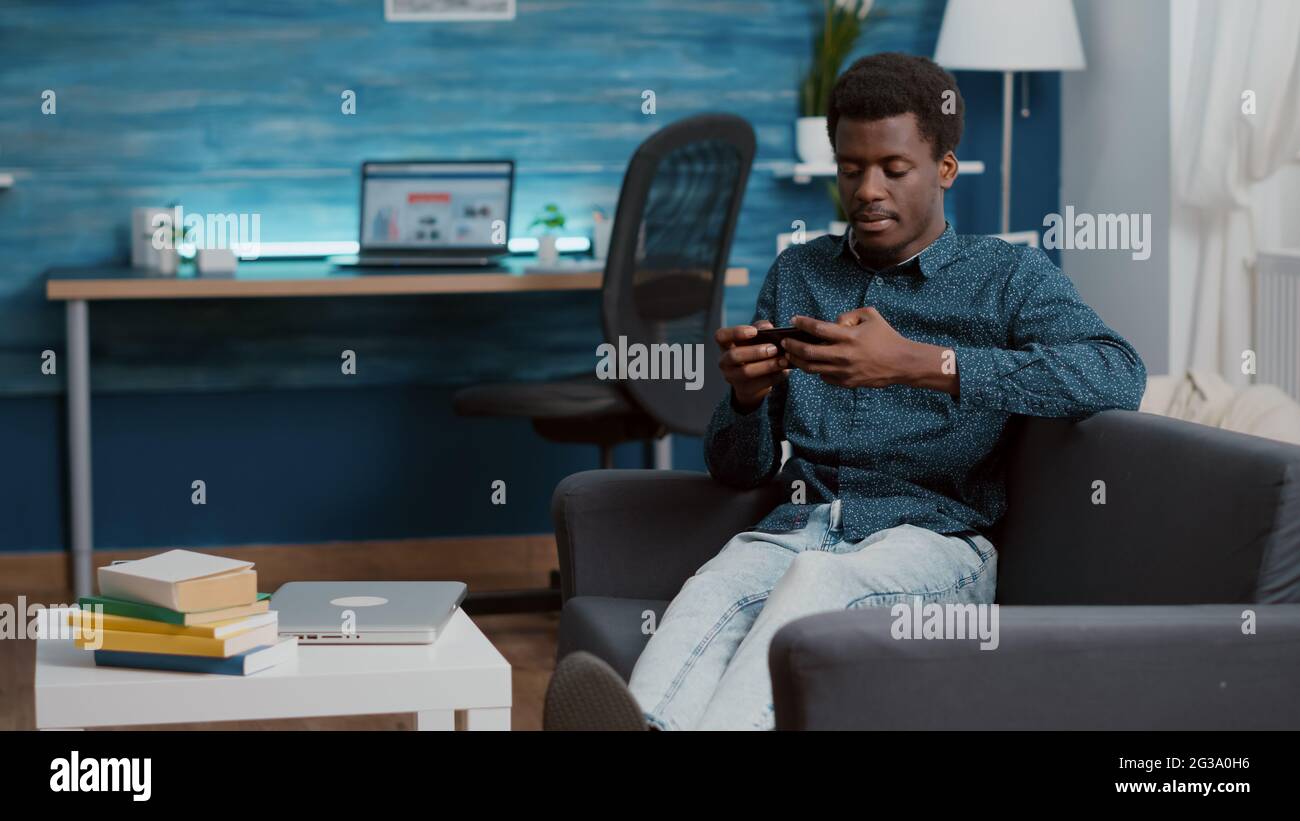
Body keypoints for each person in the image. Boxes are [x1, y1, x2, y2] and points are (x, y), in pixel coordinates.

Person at [544, 52, 1147, 731]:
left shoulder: (1007, 275)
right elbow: (737, 468)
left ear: (944, 169)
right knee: (719, 580)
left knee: (818, 582)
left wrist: (920, 363)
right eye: (852, 168)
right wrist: (744, 400)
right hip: (802, 525)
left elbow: (1118, 371)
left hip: (938, 541)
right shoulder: (800, 273)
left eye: (894, 169)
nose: (867, 189)